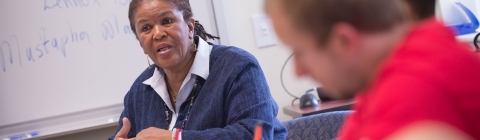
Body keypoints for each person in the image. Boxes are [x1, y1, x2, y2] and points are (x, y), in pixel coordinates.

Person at [265, 0, 480, 139]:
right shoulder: (391, 69)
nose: (298, 71)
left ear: (344, 41)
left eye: (300, 52)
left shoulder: (416, 93)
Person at [109, 0, 287, 139]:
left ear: (190, 26)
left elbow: (255, 135)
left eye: (167, 21)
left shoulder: (238, 66)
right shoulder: (139, 91)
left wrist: (175, 138)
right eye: (146, 28)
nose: (157, 33)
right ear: (141, 42)